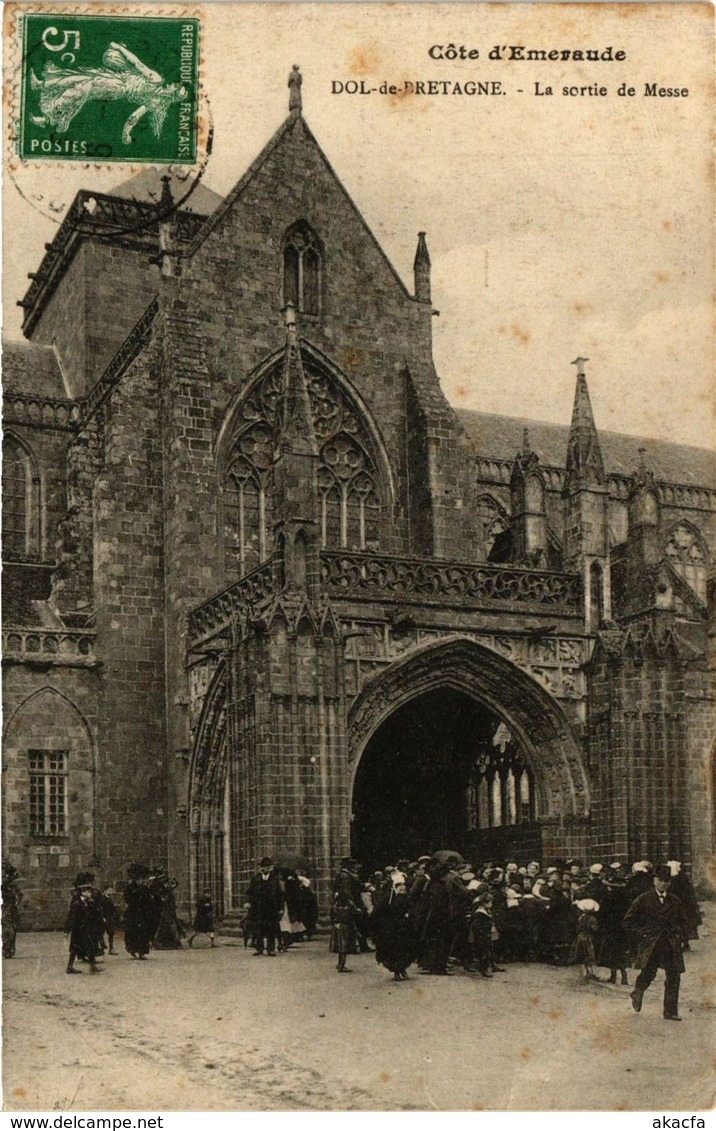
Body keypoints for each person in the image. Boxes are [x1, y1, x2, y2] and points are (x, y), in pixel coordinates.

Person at [623, 863, 686, 1021]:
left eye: (667, 880)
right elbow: (627, 922)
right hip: (652, 944)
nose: (664, 883)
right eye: (660, 880)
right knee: (649, 972)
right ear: (654, 881)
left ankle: (670, 1011)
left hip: (670, 943)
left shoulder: (675, 901)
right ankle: (638, 991)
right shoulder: (643, 899)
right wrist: (643, 934)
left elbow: (683, 922)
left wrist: (680, 936)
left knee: (674, 975)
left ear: (670, 882)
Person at [372, 877, 415, 981]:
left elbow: (411, 909)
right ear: (395, 888)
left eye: (403, 890)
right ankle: (396, 971)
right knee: (394, 950)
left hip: (404, 928)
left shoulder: (407, 898)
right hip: (392, 929)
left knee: (405, 950)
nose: (402, 892)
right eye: (400, 889)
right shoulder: (389, 899)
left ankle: (403, 969)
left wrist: (409, 915)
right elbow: (378, 912)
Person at [245, 858, 283, 956]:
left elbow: (279, 894)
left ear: (270, 868)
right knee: (259, 928)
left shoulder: (275, 879)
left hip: (271, 908)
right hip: (258, 908)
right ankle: (259, 948)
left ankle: (271, 949)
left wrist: (280, 908)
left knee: (271, 928)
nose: (265, 869)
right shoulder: (256, 879)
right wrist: (248, 902)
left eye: (267, 867)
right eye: (263, 867)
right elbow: (250, 892)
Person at [65, 874, 101, 974]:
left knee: (89, 946)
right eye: (88, 892)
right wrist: (66, 931)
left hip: (85, 929)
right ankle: (70, 967)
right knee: (74, 948)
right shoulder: (77, 904)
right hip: (78, 930)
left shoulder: (87, 902)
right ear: (83, 892)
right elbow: (71, 917)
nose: (90, 893)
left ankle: (92, 967)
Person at [123, 864, 156, 959]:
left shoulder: (144, 888)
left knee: (143, 931)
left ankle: (142, 951)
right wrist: (136, 892)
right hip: (133, 913)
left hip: (143, 913)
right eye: (139, 879)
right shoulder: (130, 887)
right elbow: (127, 899)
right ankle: (132, 949)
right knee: (133, 931)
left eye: (142, 879)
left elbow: (149, 899)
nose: (141, 881)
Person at [569, 898, 600, 980]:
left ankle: (588, 972)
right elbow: (595, 929)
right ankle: (590, 973)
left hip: (580, 937)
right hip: (588, 938)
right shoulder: (593, 919)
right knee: (589, 955)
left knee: (584, 955)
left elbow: (577, 928)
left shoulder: (580, 918)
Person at [2, 863, 23, 959]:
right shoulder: (3, 886)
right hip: (5, 910)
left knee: (13, 930)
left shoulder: (13, 886)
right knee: (8, 930)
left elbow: (20, 895)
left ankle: (10, 949)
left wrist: (17, 902)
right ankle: (5, 949)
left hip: (12, 910)